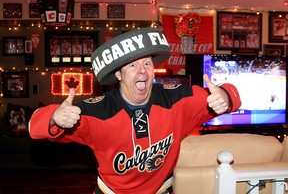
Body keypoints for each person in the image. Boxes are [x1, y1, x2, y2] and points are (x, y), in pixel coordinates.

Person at [29, 28, 241, 194]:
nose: (141, 71)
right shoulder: (97, 110)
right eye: (132, 65)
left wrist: (225, 96)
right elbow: (35, 126)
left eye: (147, 63)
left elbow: (229, 96)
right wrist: (54, 116)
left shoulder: (177, 98)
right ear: (118, 75)